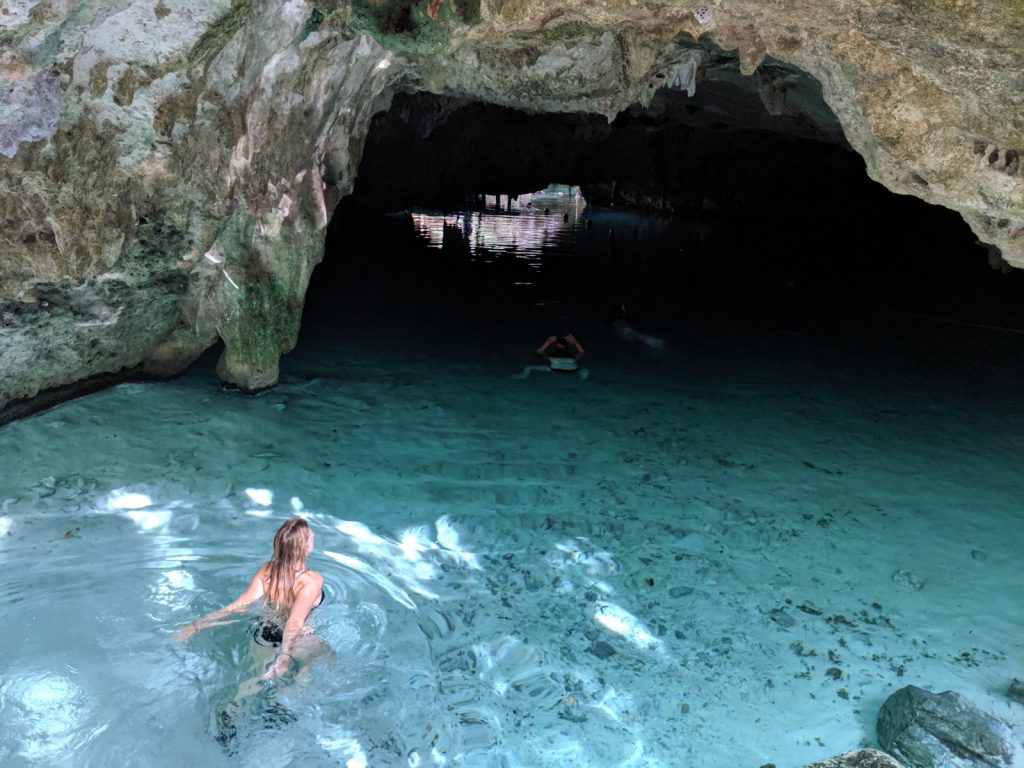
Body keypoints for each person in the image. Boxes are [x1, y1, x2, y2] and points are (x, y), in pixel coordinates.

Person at [175, 517, 326, 681]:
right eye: (310, 534)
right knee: (325, 659)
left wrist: (196, 625)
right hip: (298, 637)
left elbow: (239, 605)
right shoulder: (312, 580)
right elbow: (295, 621)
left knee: (254, 680)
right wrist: (285, 655)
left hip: (266, 630)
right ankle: (289, 700)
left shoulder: (268, 570)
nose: (313, 534)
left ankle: (233, 706)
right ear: (305, 546)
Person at [515, 333, 589, 379]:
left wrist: (544, 346)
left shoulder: (552, 355)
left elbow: (540, 353)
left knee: (529, 367)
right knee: (582, 369)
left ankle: (523, 376)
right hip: (572, 370)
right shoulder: (572, 355)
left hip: (555, 370)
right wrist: (576, 343)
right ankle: (582, 377)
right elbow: (582, 352)